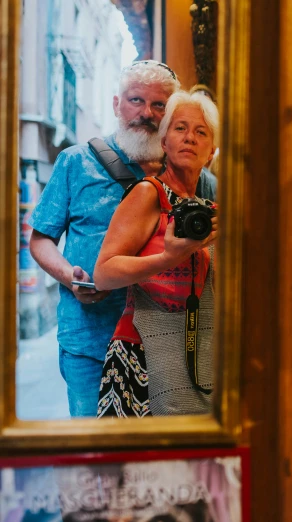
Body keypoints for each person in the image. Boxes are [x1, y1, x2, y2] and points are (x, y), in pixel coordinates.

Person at [28, 61, 217, 417]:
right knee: (97, 456)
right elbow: (40, 239)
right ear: (117, 105)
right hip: (90, 338)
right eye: (135, 100)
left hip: (167, 347)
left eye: (159, 105)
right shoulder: (75, 162)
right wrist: (71, 277)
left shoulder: (195, 175)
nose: (146, 113)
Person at [94, 91, 218, 417]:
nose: (189, 137)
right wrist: (167, 258)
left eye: (201, 131)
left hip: (195, 361)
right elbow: (104, 273)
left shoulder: (212, 213)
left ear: (211, 153)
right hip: (143, 361)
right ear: (164, 142)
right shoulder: (149, 194)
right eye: (179, 128)